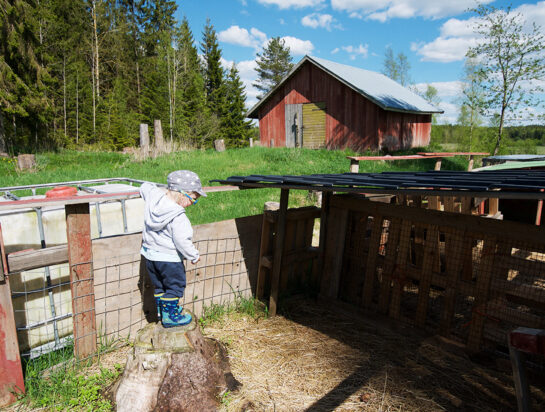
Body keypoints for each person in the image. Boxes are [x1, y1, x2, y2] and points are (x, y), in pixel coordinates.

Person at [139, 170, 206, 328]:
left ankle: (164, 312)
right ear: (182, 194)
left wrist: (154, 188)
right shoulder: (178, 216)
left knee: (160, 286)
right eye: (193, 199)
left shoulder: (154, 199)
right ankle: (171, 318)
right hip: (169, 259)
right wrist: (193, 255)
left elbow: (145, 186)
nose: (193, 204)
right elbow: (182, 241)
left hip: (150, 257)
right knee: (175, 287)